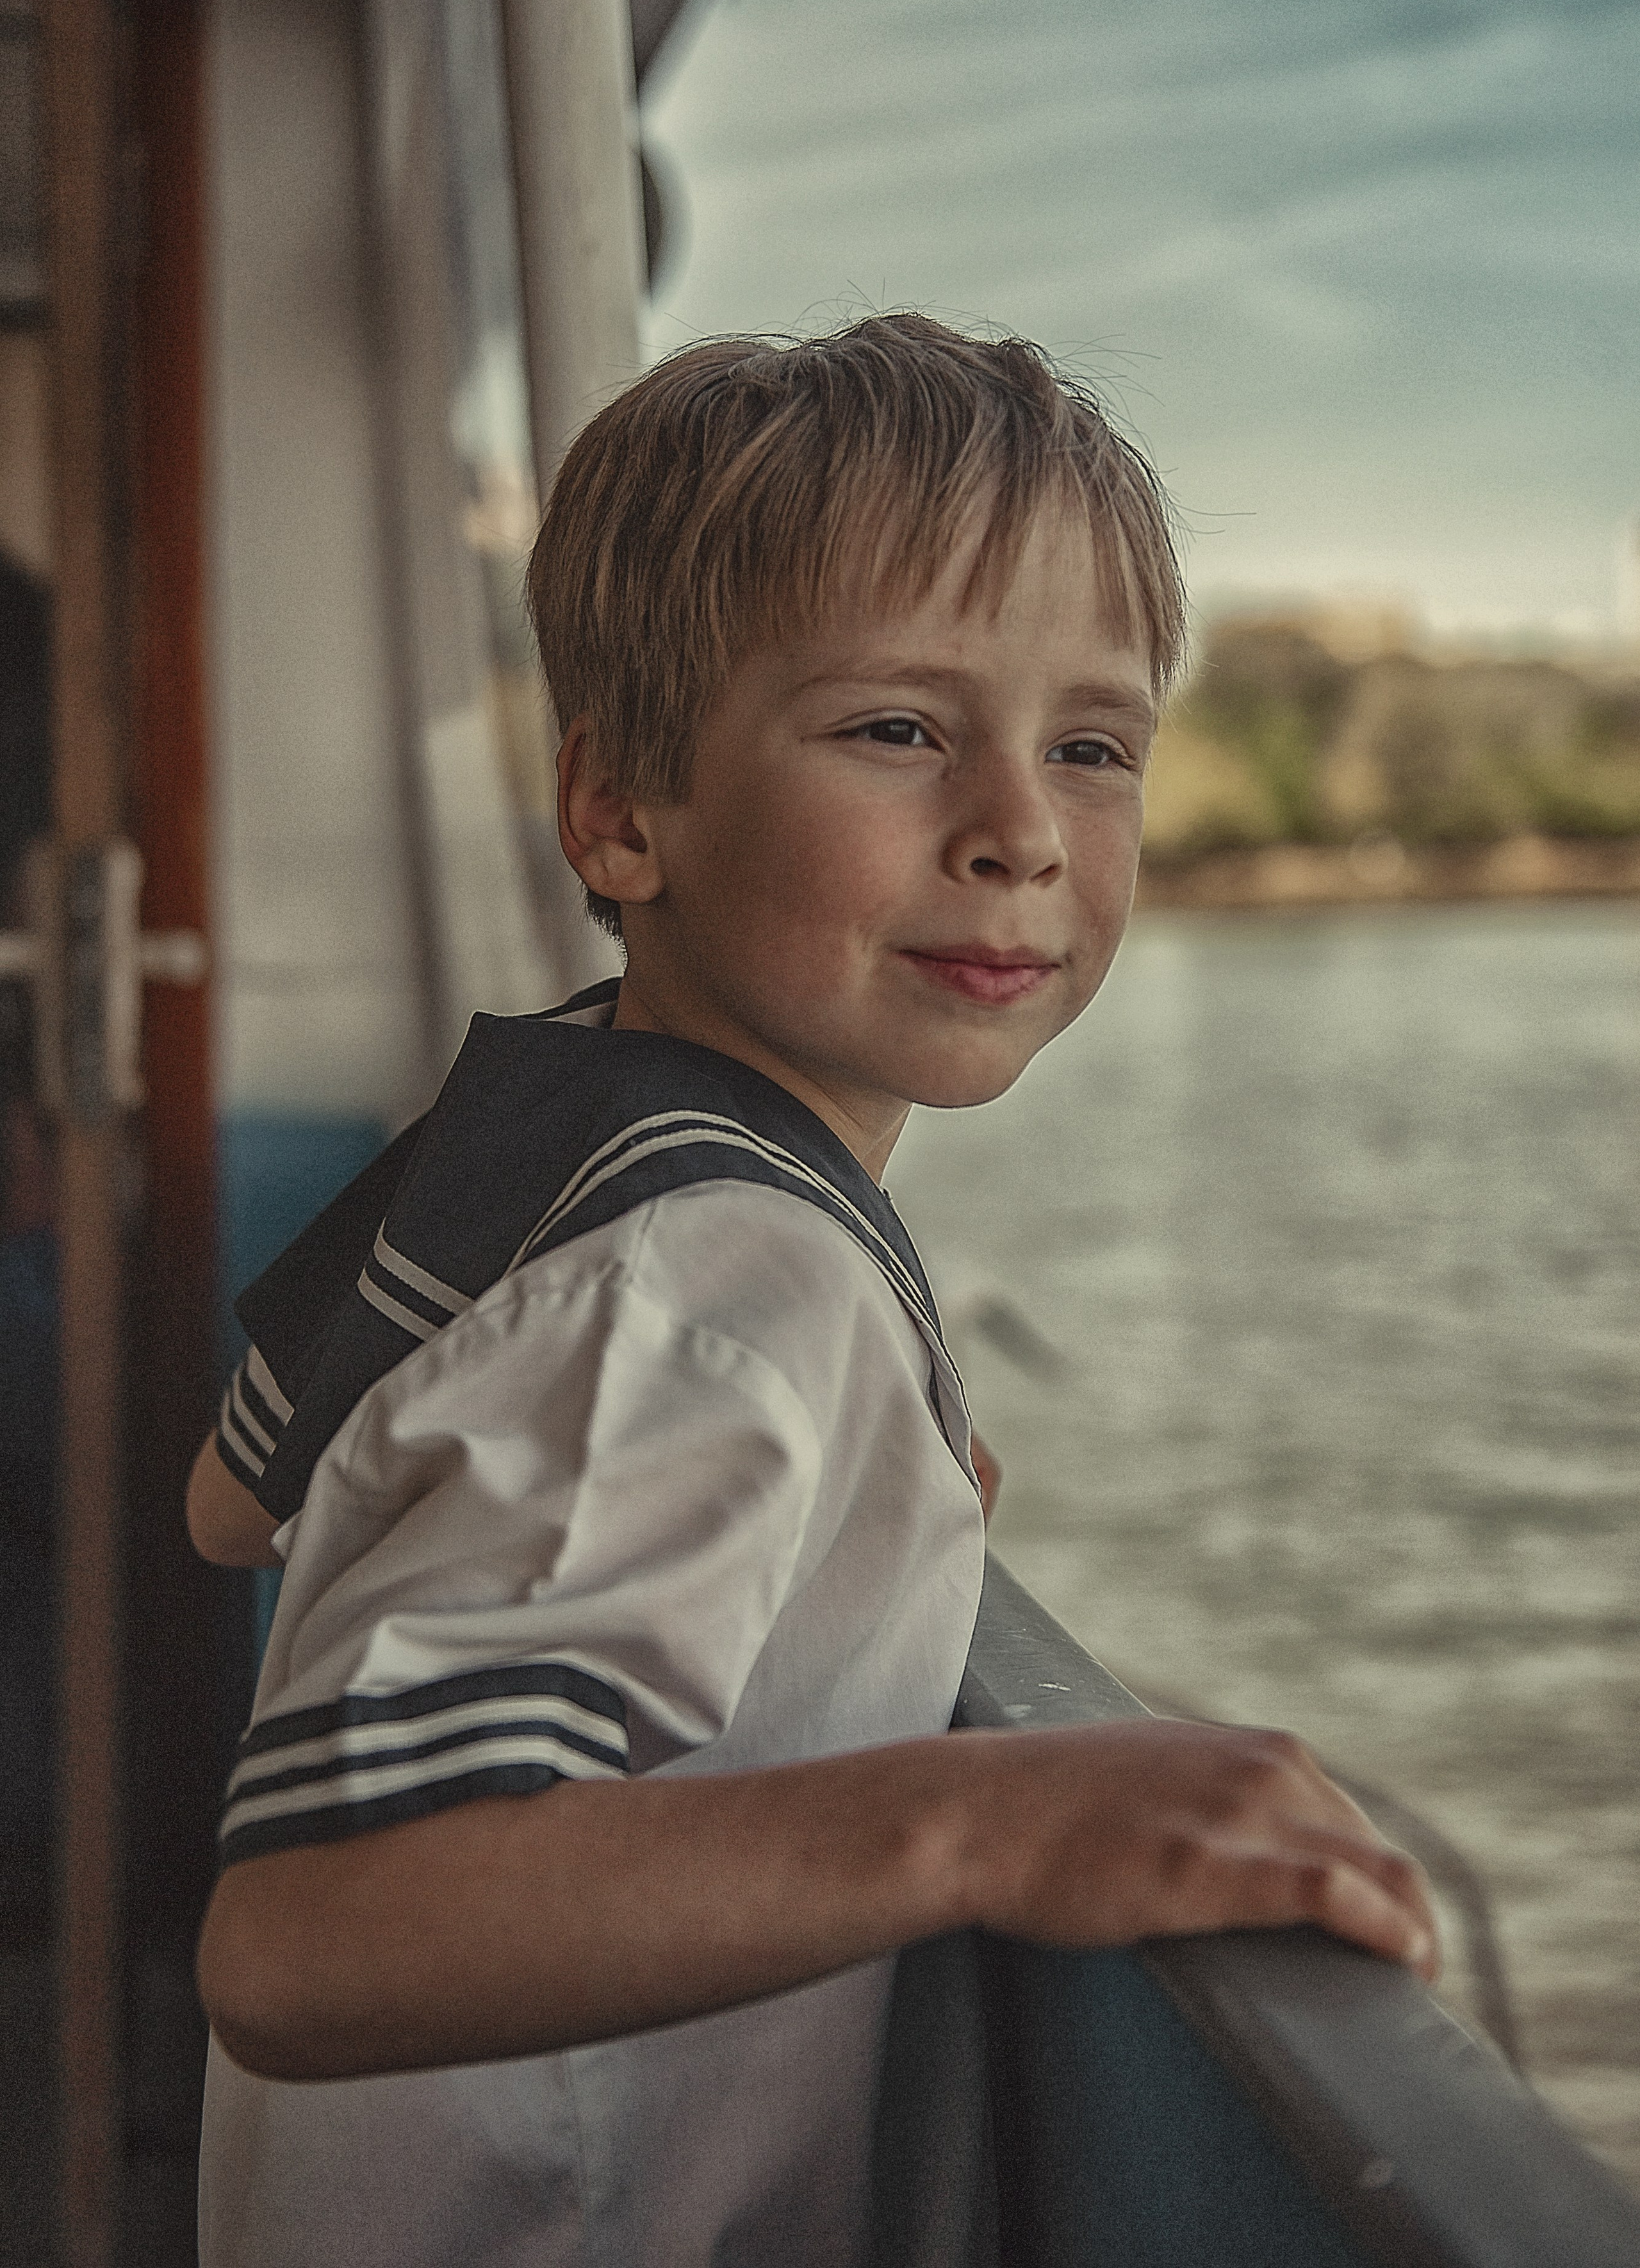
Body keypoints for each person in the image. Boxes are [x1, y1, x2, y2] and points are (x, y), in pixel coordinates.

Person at [191, 316, 1436, 2268]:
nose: (1021, 829)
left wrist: (842, 1486)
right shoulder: (720, 1278)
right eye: (899, 731)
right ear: (621, 811)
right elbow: (300, 1940)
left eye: (1092, 747)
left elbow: (234, 1496)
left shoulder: (550, 1115)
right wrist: (990, 1825)